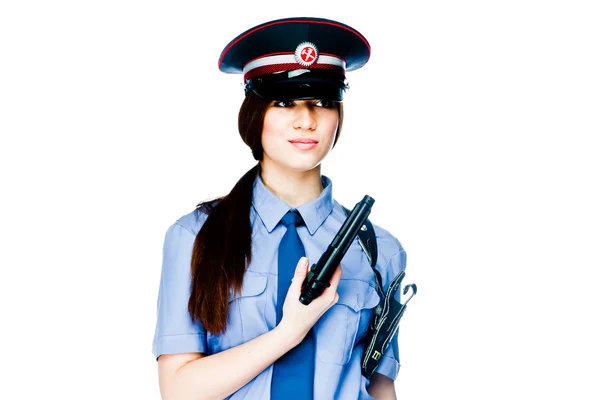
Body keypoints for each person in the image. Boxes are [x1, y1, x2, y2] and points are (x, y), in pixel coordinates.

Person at [152, 17, 407, 400]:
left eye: (322, 102)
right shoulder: (195, 236)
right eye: (285, 102)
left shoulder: (378, 249)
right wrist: (288, 333)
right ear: (255, 116)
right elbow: (179, 390)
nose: (306, 120)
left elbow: (380, 384)